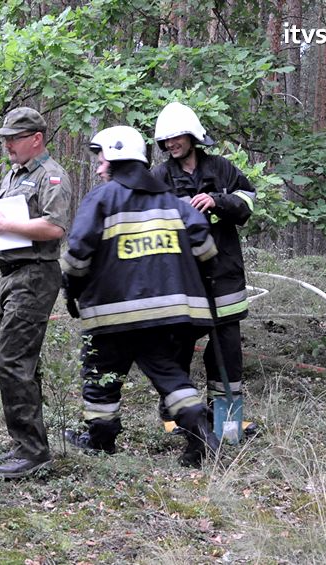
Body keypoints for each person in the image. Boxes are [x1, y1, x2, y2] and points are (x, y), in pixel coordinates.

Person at [61, 125, 221, 468]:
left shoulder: (101, 199)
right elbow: (206, 248)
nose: (100, 166)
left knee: (100, 374)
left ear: (117, 158)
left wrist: (71, 291)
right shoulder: (172, 202)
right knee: (169, 375)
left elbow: (77, 256)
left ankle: (100, 441)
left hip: (112, 315)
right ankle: (201, 436)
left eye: (102, 158)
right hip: (168, 314)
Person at [150, 102, 257, 437]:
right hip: (183, 280)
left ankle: (227, 423)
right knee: (176, 349)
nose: (170, 145)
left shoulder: (222, 169)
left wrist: (217, 201)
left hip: (224, 277)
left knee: (227, 352)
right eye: (165, 141)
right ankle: (179, 420)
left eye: (175, 138)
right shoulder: (160, 177)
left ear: (192, 135)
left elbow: (247, 203)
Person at [0, 107, 71, 479]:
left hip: (34, 275)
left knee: (12, 360)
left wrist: (7, 223)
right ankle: (28, 441)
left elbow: (54, 227)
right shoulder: (14, 175)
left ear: (36, 138)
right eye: (5, 139)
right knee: (23, 362)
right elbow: (16, 222)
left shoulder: (51, 176)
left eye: (14, 139)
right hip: (12, 275)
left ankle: (32, 450)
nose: (8, 146)